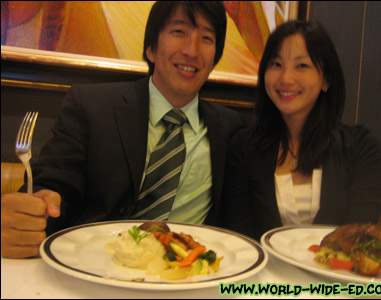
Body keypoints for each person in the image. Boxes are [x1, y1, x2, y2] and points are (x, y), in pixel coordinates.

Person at [1, 1, 245, 258]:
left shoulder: (230, 129)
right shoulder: (92, 106)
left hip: (185, 277)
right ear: (151, 49)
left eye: (206, 38)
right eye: (179, 32)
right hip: (98, 268)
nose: (192, 50)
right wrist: (34, 209)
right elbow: (54, 182)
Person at [221, 20, 381, 241]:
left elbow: (355, 242)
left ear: (326, 79)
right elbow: (240, 241)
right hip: (262, 275)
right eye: (276, 64)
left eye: (302, 66)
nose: (285, 78)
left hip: (335, 275)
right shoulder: (243, 148)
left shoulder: (362, 149)